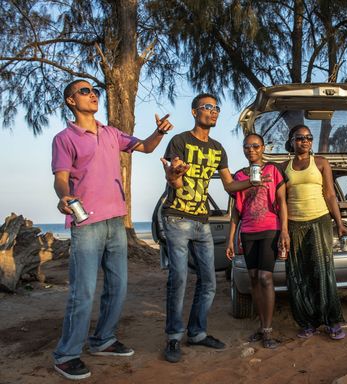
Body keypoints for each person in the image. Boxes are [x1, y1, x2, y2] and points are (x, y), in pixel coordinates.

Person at [51, 79, 174, 380]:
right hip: (87, 223)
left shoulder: (111, 133)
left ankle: (103, 339)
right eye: (84, 91)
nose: (92, 94)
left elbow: (143, 147)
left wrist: (158, 132)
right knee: (83, 292)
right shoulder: (65, 137)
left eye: (94, 91)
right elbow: (61, 177)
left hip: (116, 220)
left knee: (118, 287)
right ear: (70, 101)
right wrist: (63, 196)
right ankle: (66, 355)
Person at [160, 93, 269, 363]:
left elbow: (230, 185)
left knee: (209, 281)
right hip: (176, 217)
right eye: (208, 107)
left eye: (216, 108)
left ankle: (197, 332)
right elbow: (173, 179)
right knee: (179, 279)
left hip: (202, 221)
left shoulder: (218, 148)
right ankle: (174, 337)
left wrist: (252, 184)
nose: (214, 112)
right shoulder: (180, 141)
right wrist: (174, 176)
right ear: (195, 112)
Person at [282, 124, 347, 340]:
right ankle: (307, 322)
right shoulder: (283, 167)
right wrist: (283, 229)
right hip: (294, 223)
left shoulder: (321, 163)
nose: (305, 141)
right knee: (298, 274)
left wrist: (339, 223)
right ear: (292, 141)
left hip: (320, 220)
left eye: (308, 137)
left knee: (323, 271)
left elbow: (330, 194)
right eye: (300, 137)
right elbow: (281, 200)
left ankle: (332, 321)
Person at [225, 133, 290, 349]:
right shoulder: (239, 176)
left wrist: (285, 231)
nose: (251, 149)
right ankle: (262, 327)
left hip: (270, 228)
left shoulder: (273, 170)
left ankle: (269, 331)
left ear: (263, 148)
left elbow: (282, 200)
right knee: (253, 277)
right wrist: (231, 238)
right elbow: (237, 211)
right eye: (247, 146)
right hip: (248, 231)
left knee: (265, 277)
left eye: (255, 146)